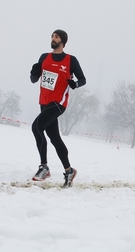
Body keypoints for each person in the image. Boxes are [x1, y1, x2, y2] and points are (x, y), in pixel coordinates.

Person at [30, 29, 86, 187]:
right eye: (52, 36)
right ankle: (69, 171)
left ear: (63, 41)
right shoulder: (44, 57)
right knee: (54, 138)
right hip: (44, 102)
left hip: (58, 103)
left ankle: (44, 167)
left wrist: (75, 84)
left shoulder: (70, 60)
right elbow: (34, 79)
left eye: (56, 37)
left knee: (36, 127)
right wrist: (34, 72)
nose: (53, 39)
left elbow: (82, 79)